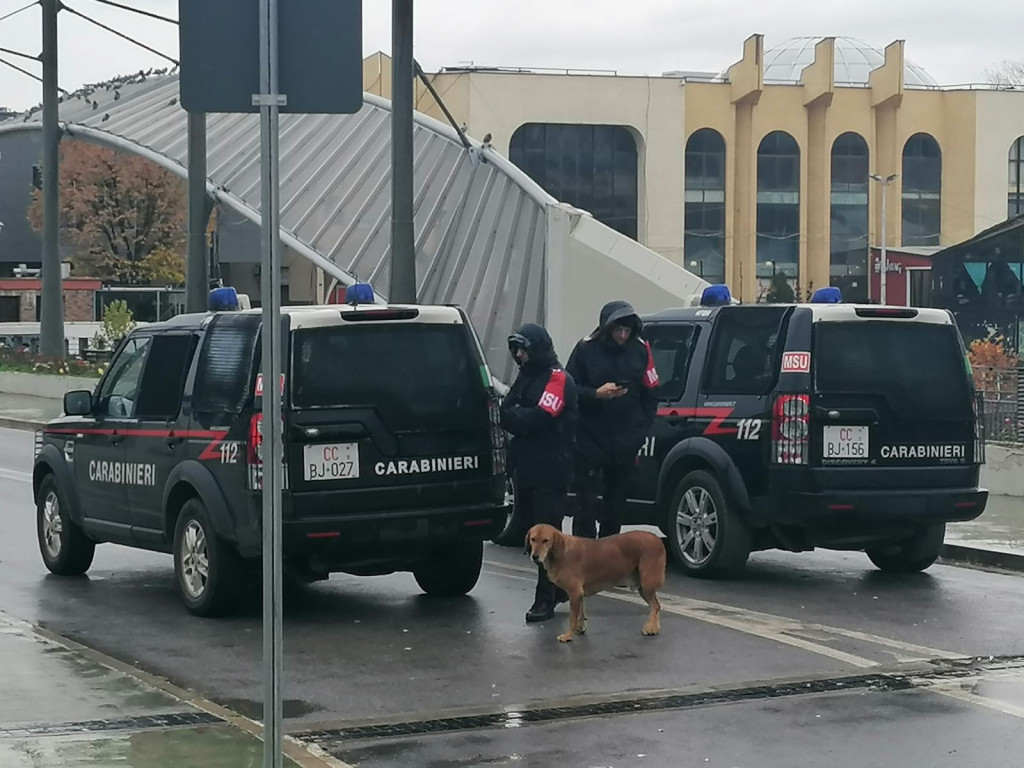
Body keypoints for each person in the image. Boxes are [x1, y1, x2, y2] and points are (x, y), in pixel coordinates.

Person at [501, 323, 578, 623]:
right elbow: (508, 410)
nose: (519, 355)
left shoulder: (557, 378)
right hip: (529, 469)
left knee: (545, 537)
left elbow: (540, 417)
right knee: (535, 530)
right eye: (516, 350)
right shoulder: (527, 377)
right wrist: (516, 416)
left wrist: (515, 416)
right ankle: (557, 587)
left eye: (524, 349)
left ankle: (545, 598)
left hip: (552, 468)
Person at [567, 300, 659, 539]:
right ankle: (584, 555)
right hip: (590, 438)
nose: (622, 335)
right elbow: (569, 389)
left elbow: (651, 391)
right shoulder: (586, 349)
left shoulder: (641, 349)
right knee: (585, 503)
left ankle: (609, 556)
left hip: (625, 439)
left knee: (616, 504)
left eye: (627, 330)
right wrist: (596, 394)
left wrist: (641, 429)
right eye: (618, 330)